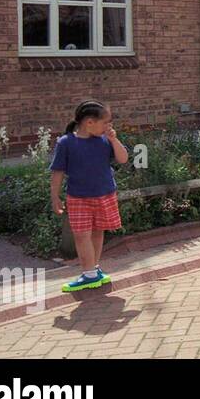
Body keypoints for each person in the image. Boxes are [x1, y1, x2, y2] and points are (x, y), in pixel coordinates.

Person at [50, 100, 128, 293]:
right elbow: (57, 171)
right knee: (81, 235)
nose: (109, 126)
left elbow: (123, 158)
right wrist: (55, 196)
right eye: (105, 122)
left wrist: (114, 140)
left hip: (104, 194)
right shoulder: (66, 143)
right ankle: (89, 273)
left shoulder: (104, 140)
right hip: (78, 198)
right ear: (89, 122)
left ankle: (93, 270)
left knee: (97, 231)